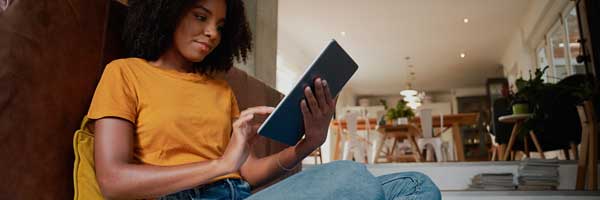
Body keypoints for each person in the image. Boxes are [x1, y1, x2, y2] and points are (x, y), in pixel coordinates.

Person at [88, 0, 442, 199]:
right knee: (351, 177)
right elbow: (113, 181)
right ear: (167, 10)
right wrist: (219, 166)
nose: (212, 33)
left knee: (417, 188)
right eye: (200, 16)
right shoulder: (125, 73)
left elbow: (248, 171)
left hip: (236, 193)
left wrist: (309, 143)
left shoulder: (219, 90)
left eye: (221, 26)